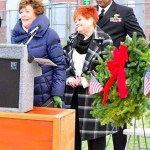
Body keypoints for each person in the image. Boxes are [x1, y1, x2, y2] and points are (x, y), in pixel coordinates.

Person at [63, 6, 116, 150]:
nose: (76, 23)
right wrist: (69, 79)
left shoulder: (105, 40)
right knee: (72, 139)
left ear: (91, 19)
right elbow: (65, 62)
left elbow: (106, 68)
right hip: (72, 96)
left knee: (96, 142)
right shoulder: (72, 39)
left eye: (80, 19)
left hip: (94, 97)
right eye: (75, 20)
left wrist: (86, 80)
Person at [95, 0, 146, 149]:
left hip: (115, 74)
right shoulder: (88, 12)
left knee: (117, 119)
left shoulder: (124, 12)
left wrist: (130, 59)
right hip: (92, 72)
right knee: (95, 121)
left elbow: (139, 39)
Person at [11, 0, 66, 108]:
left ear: (37, 13)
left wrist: (57, 93)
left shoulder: (50, 35)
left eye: (27, 11)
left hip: (45, 97)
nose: (23, 15)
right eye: (21, 12)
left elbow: (60, 65)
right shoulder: (15, 37)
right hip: (21, 95)